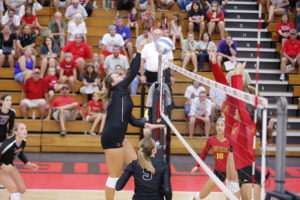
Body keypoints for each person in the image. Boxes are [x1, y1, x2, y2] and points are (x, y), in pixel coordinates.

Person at [101, 43, 165, 200]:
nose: (121, 76)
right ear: (114, 83)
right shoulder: (119, 89)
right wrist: (138, 52)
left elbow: (132, 121)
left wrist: (147, 124)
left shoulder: (122, 96)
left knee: (139, 163)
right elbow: (134, 71)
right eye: (117, 76)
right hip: (111, 137)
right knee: (114, 176)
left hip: (120, 137)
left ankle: (147, 195)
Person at [190, 118, 232, 200]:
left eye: (222, 125)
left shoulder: (230, 140)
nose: (219, 127)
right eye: (218, 125)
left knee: (230, 198)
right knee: (201, 195)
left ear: (226, 127)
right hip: (218, 173)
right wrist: (197, 166)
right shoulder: (211, 139)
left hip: (231, 174)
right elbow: (203, 154)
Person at [0, 123, 39, 200]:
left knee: (22, 189)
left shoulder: (23, 142)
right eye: (21, 129)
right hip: (1, 167)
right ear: (15, 132)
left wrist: (27, 163)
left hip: (9, 166)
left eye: (25, 129)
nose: (25, 131)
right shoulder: (8, 144)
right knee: (14, 190)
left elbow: (20, 153)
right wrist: (2, 165)